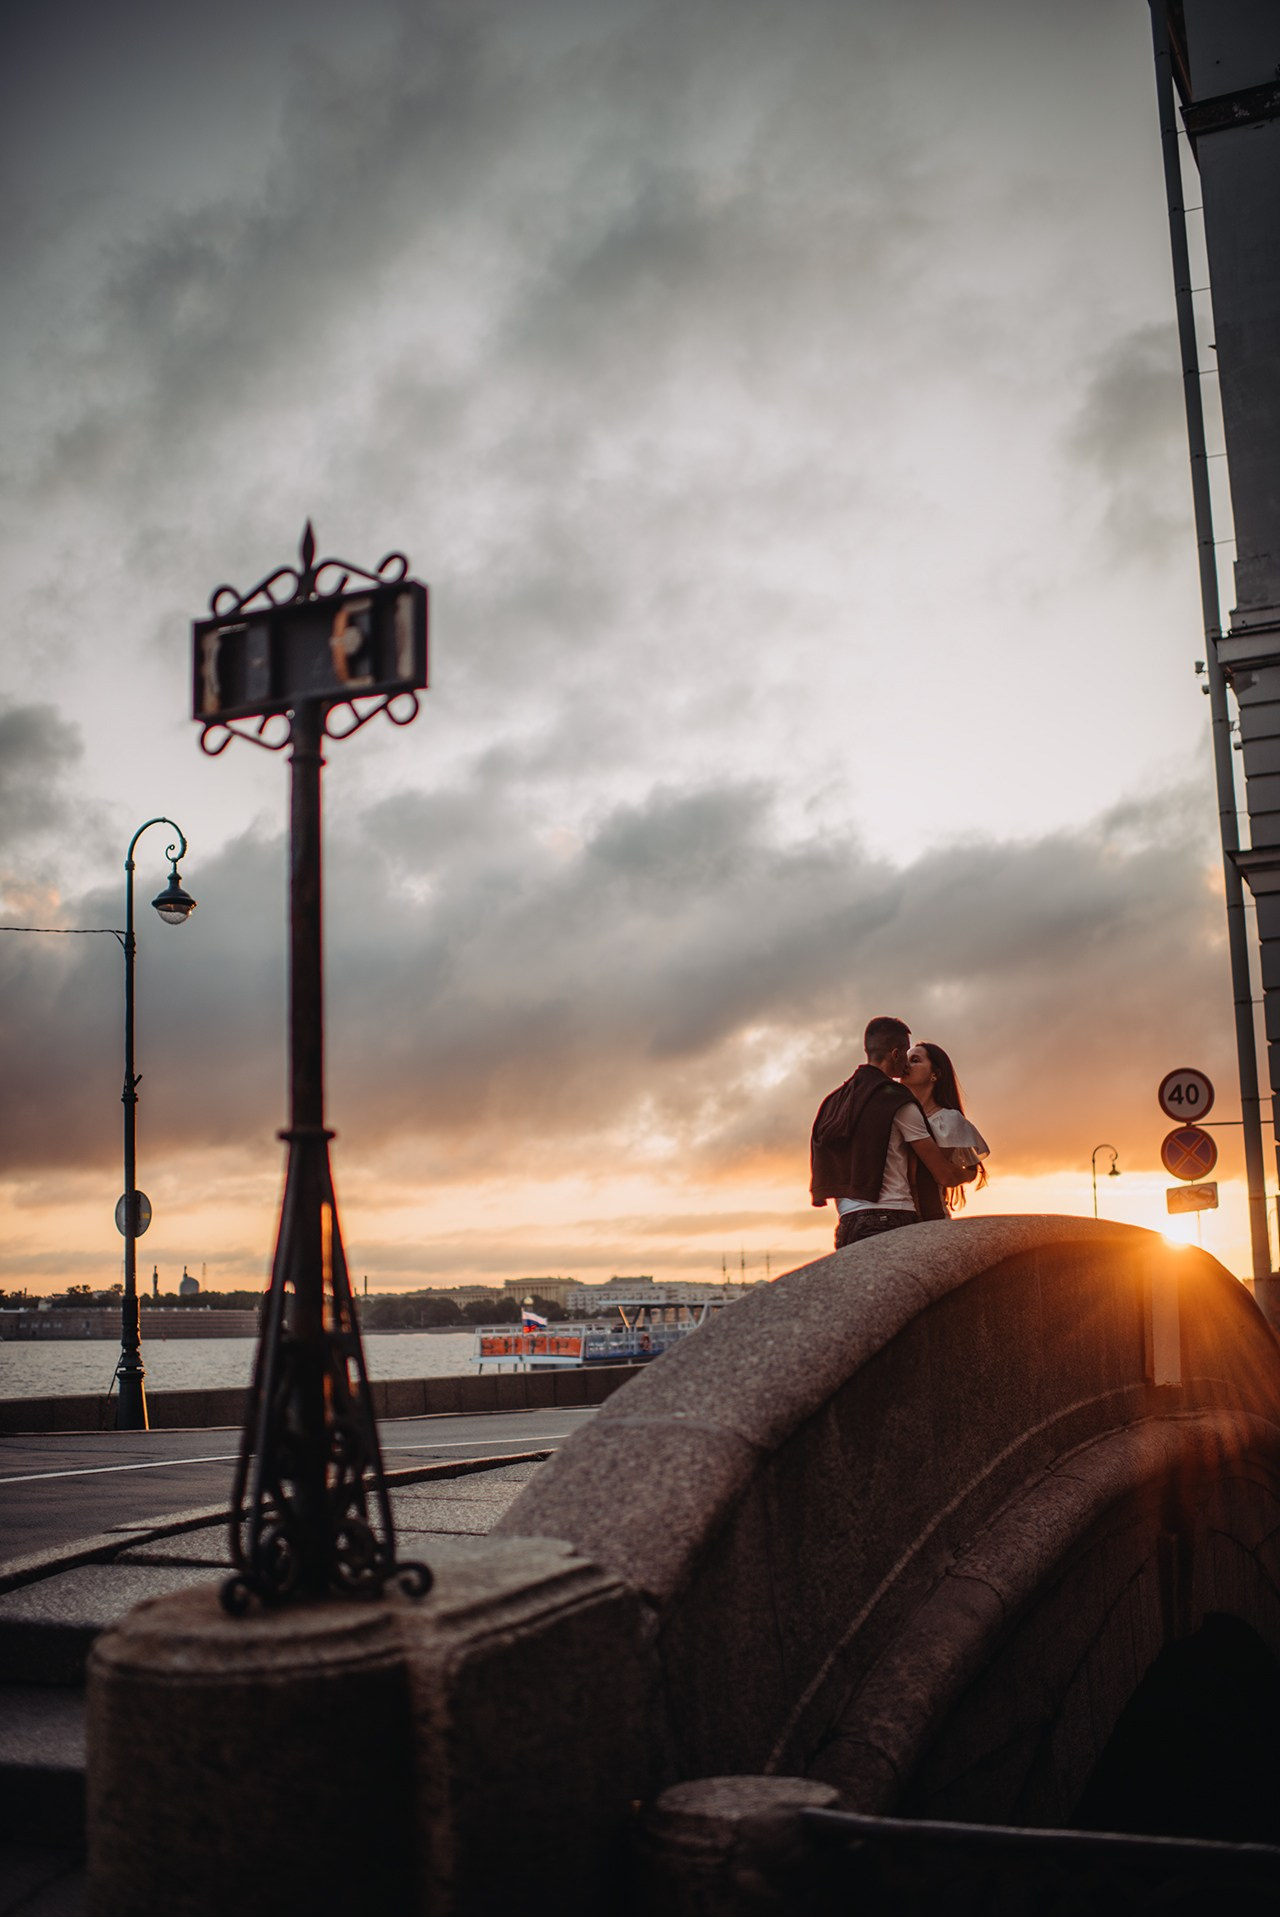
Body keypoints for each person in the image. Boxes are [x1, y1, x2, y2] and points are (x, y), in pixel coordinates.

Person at [809, 1015, 976, 1250]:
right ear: (896, 1054)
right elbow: (943, 1174)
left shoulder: (836, 1101)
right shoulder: (897, 1101)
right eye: (906, 1054)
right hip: (890, 1216)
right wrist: (970, 1175)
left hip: (847, 1223)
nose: (907, 1065)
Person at [902, 1041, 989, 1214]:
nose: (906, 1065)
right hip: (897, 1211)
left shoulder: (946, 1120)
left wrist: (959, 1175)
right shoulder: (899, 1114)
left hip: (927, 1214)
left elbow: (928, 1172)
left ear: (935, 1074)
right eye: (906, 1059)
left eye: (915, 1060)